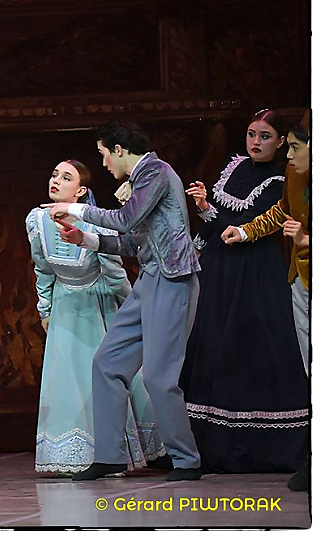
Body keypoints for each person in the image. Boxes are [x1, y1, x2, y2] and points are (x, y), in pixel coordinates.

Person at [43, 121, 202, 482]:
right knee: (107, 362)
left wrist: (75, 209)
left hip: (173, 280)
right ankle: (110, 457)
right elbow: (133, 242)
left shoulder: (156, 172)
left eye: (103, 154)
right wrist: (85, 239)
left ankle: (186, 460)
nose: (103, 164)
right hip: (150, 279)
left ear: (118, 149)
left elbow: (127, 220)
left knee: (159, 377)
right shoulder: (142, 180)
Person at [180, 110, 309, 474]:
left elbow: (247, 224)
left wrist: (216, 215)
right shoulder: (233, 167)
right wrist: (201, 225)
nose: (256, 142)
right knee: (212, 342)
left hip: (254, 271)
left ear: (281, 142)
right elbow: (219, 224)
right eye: (252, 134)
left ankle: (261, 443)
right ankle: (205, 443)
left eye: (265, 136)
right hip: (220, 268)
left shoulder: (281, 178)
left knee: (248, 344)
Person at [27, 159, 164, 474]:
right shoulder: (37, 221)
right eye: (54, 174)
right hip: (64, 308)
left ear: (80, 191)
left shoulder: (95, 223)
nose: (56, 180)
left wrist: (135, 310)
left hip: (97, 306)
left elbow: (115, 274)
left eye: (66, 177)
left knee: (104, 375)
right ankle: (71, 453)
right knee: (67, 381)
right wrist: (45, 309)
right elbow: (42, 269)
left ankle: (116, 452)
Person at [222, 112, 311, 491]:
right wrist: (245, 231)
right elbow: (280, 213)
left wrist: (309, 240)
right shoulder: (294, 174)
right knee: (310, 368)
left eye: (295, 147)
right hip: (301, 278)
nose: (288, 155)